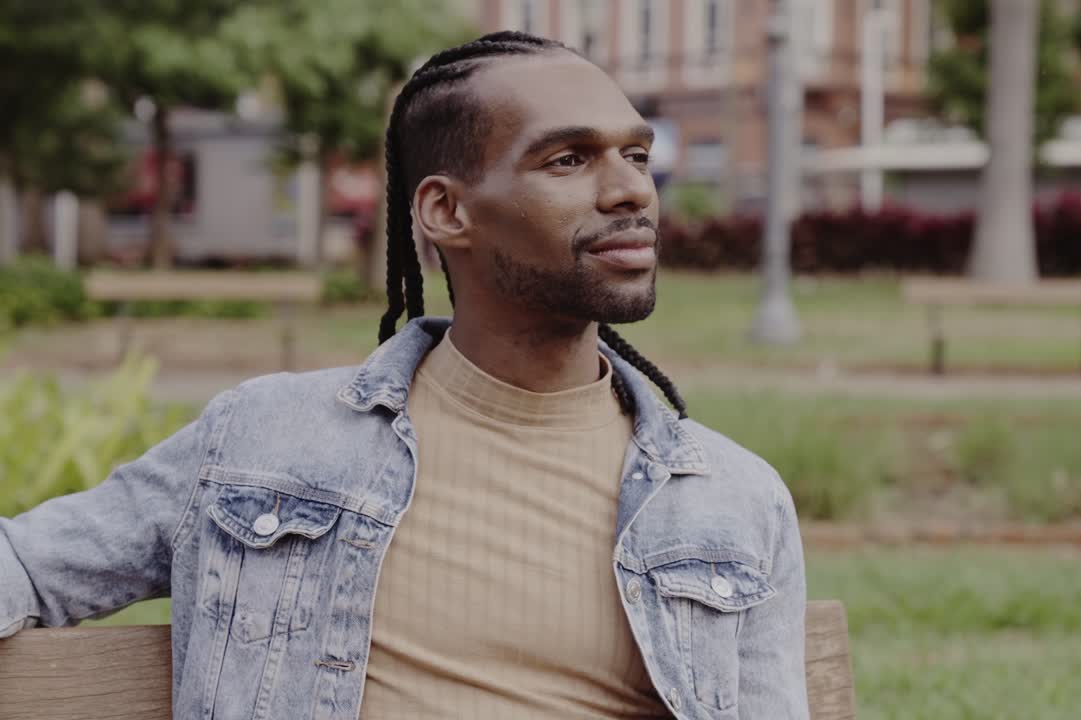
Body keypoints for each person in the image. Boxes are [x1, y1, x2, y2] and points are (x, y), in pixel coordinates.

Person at [0, 31, 808, 719]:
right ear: (445, 211)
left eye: (636, 154)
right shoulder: (264, 441)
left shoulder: (732, 499)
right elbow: (32, 565)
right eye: (569, 159)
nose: (632, 188)